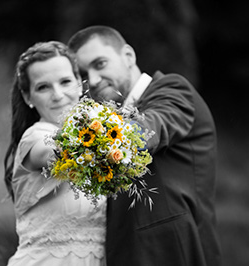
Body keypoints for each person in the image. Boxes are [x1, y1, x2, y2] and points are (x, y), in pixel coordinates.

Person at [68, 26, 221, 266]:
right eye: (84, 75)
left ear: (128, 56)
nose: (94, 81)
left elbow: (153, 125)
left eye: (100, 64)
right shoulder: (103, 122)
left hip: (175, 254)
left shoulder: (172, 90)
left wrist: (106, 137)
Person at [4, 41, 107, 266]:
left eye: (65, 82)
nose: (58, 95)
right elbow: (51, 153)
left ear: (80, 84)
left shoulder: (100, 134)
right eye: (43, 87)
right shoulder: (35, 138)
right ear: (28, 97)